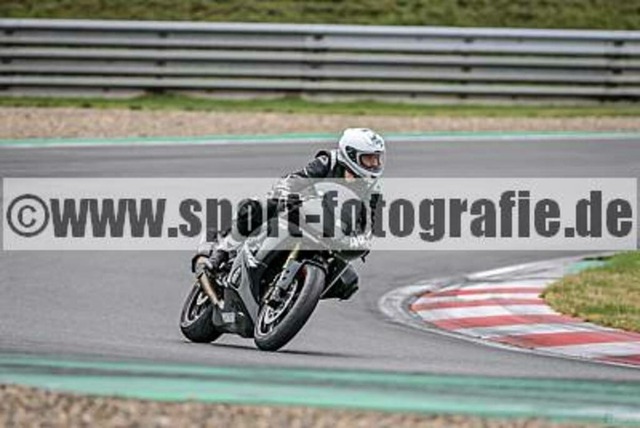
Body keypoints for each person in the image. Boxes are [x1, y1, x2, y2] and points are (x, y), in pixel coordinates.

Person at [193, 127, 386, 299]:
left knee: (348, 281)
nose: (374, 164)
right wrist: (286, 195)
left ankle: (298, 294)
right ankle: (221, 252)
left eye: (377, 158)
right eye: (369, 158)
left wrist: (360, 242)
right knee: (255, 208)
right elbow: (295, 179)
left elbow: (369, 227)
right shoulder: (328, 162)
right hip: (300, 210)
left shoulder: (373, 190)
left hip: (331, 232)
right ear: (350, 154)